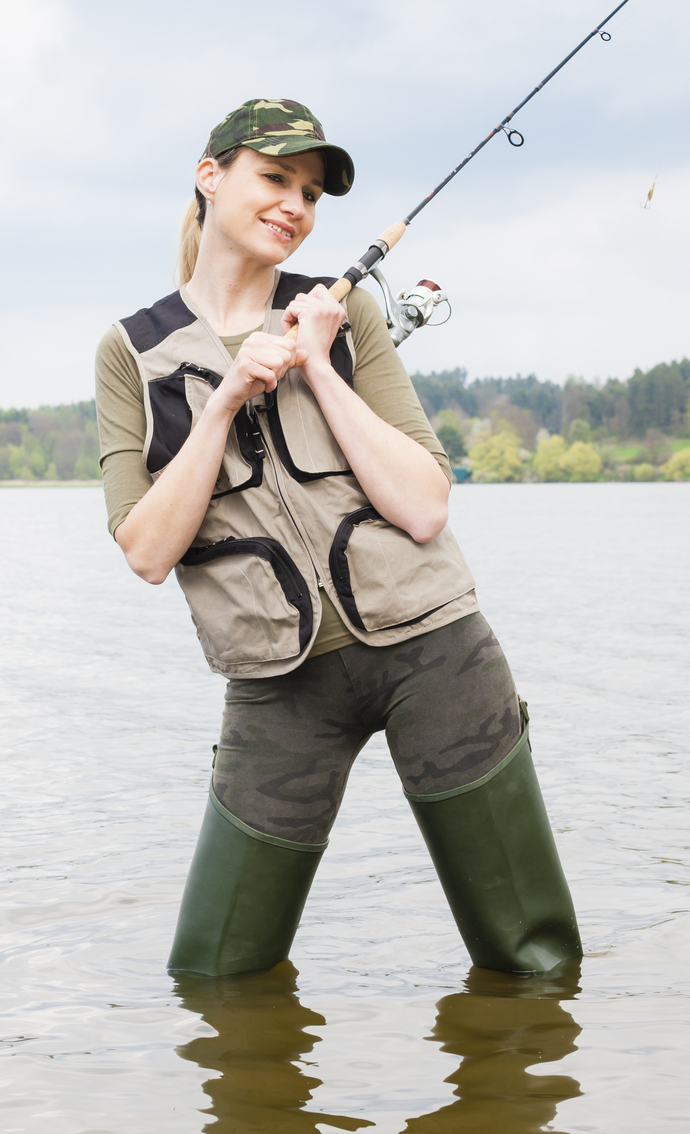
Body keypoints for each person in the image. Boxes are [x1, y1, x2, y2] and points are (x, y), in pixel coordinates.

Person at [96, 98, 579, 977]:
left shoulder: (342, 316)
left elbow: (426, 505)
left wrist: (318, 364)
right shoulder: (131, 351)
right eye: (276, 177)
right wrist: (225, 400)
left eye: (312, 192)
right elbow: (145, 550)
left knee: (533, 961)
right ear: (211, 176)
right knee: (213, 973)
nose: (296, 204)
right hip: (278, 690)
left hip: (437, 654)